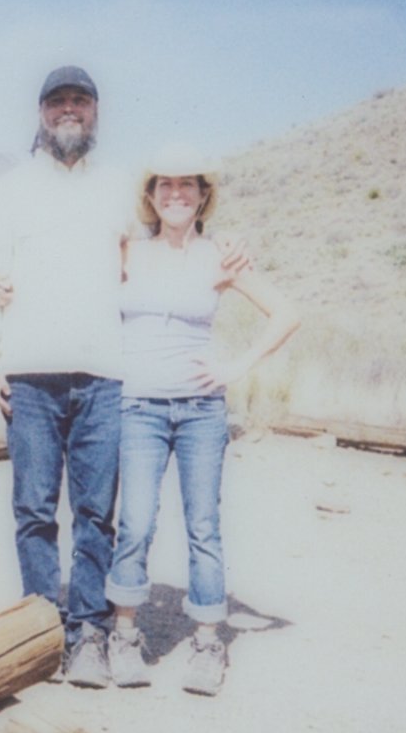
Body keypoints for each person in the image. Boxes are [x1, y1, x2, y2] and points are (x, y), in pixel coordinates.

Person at [100, 146, 297, 696]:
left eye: (188, 185)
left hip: (200, 412)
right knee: (135, 522)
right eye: (165, 184)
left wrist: (237, 366)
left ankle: (209, 643)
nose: (176, 194)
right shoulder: (127, 253)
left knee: (203, 526)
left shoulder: (220, 256)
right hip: (138, 407)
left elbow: (287, 313)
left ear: (204, 194)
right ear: (151, 195)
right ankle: (124, 636)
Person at [0, 66, 133, 686]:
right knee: (34, 508)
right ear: (40, 113)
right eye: (57, 101)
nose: (69, 110)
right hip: (29, 375)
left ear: (95, 113)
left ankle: (88, 630)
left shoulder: (120, 189)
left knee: (96, 510)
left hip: (105, 374)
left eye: (80, 101)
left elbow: (148, 266)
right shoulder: (9, 191)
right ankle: (41, 633)